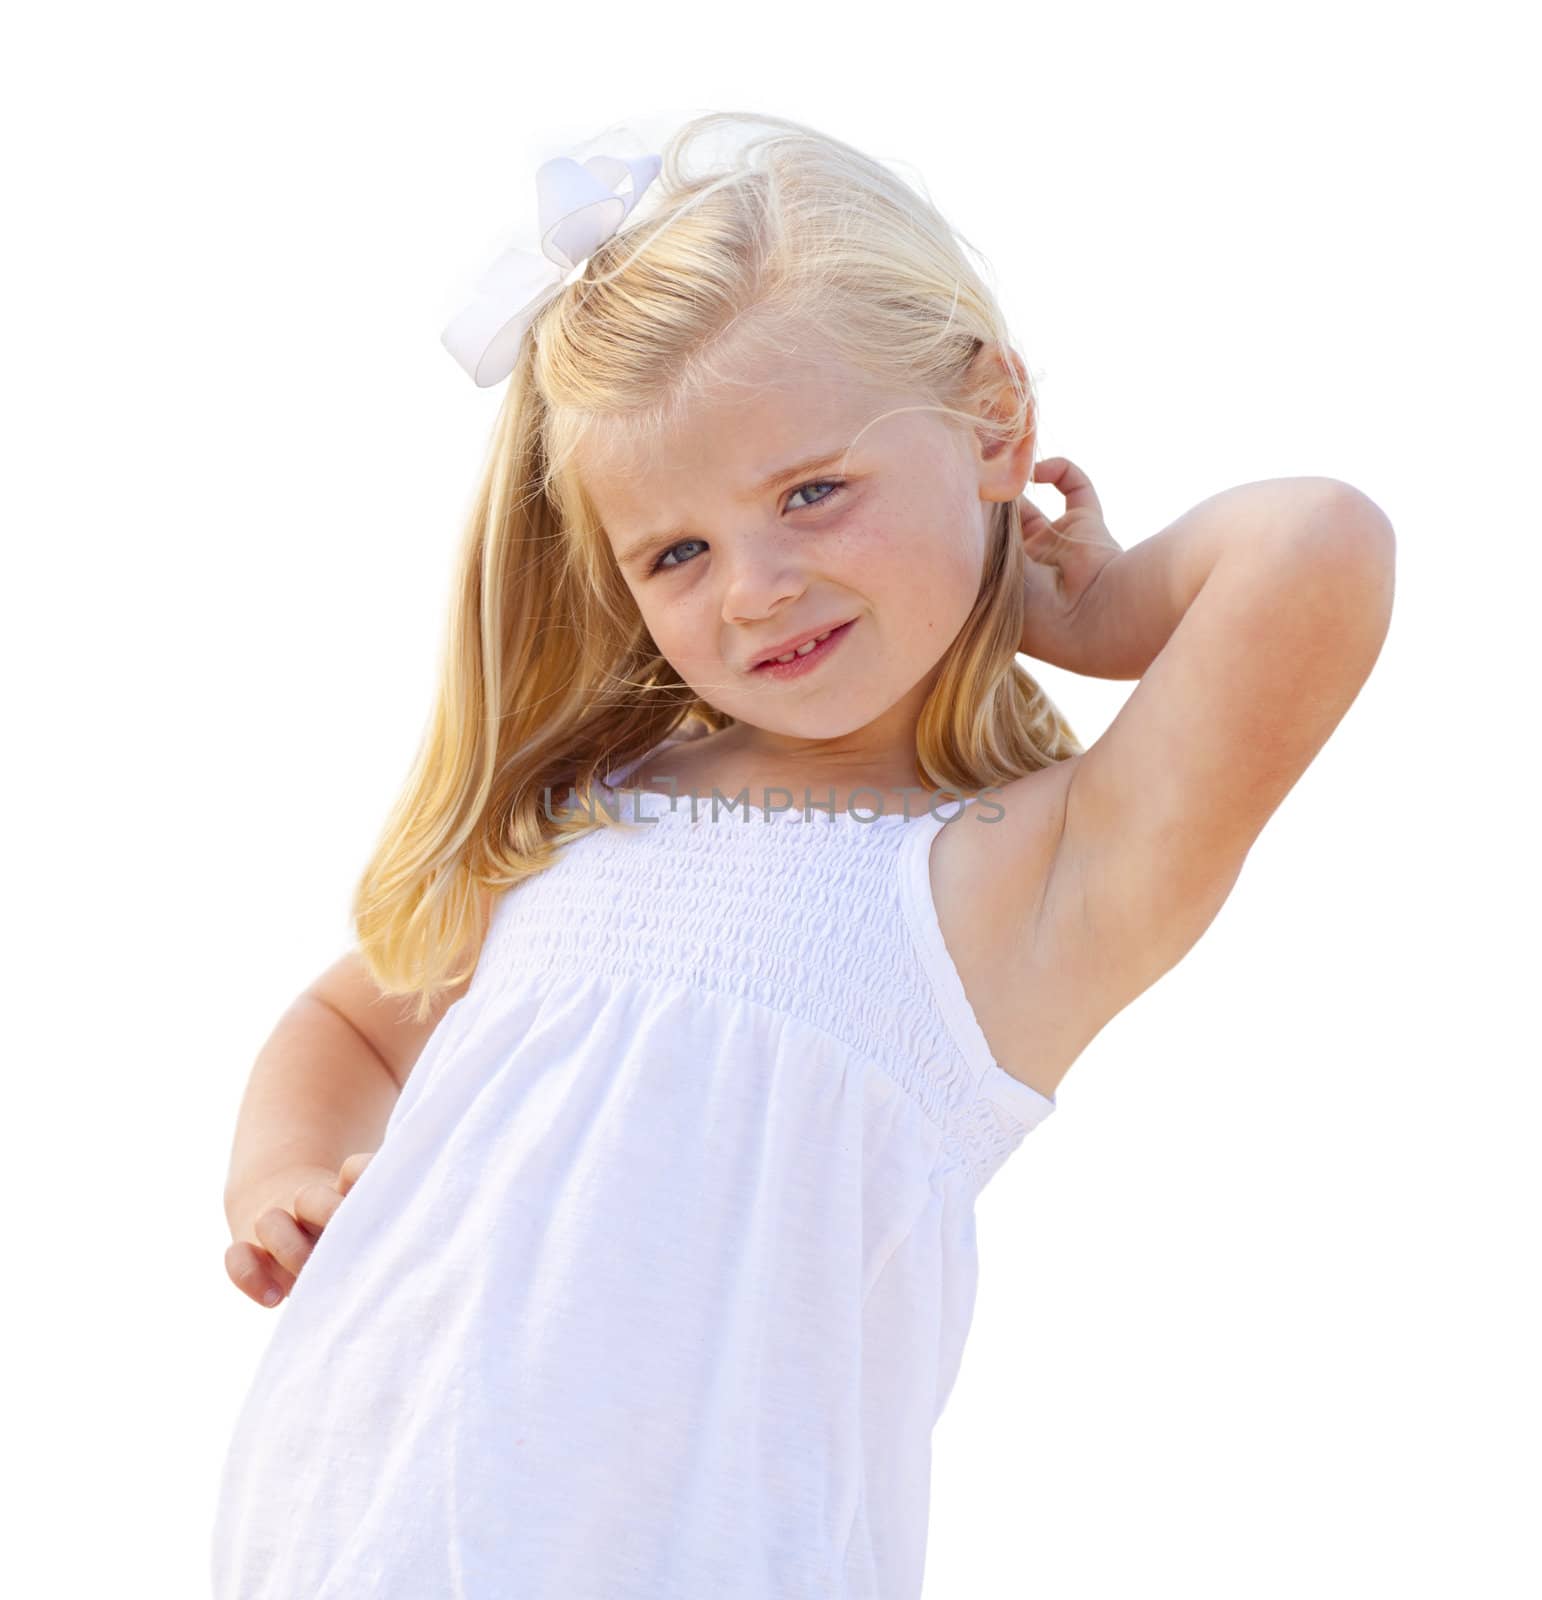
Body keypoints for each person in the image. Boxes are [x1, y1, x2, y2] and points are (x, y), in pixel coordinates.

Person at [211, 111, 1396, 1598]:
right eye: (677, 553)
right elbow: (341, 1023)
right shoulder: (598, 813)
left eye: (809, 493)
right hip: (341, 1539)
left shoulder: (1013, 880)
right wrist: (288, 1169)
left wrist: (1078, 613)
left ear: (991, 423)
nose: (756, 590)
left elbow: (1317, 548)